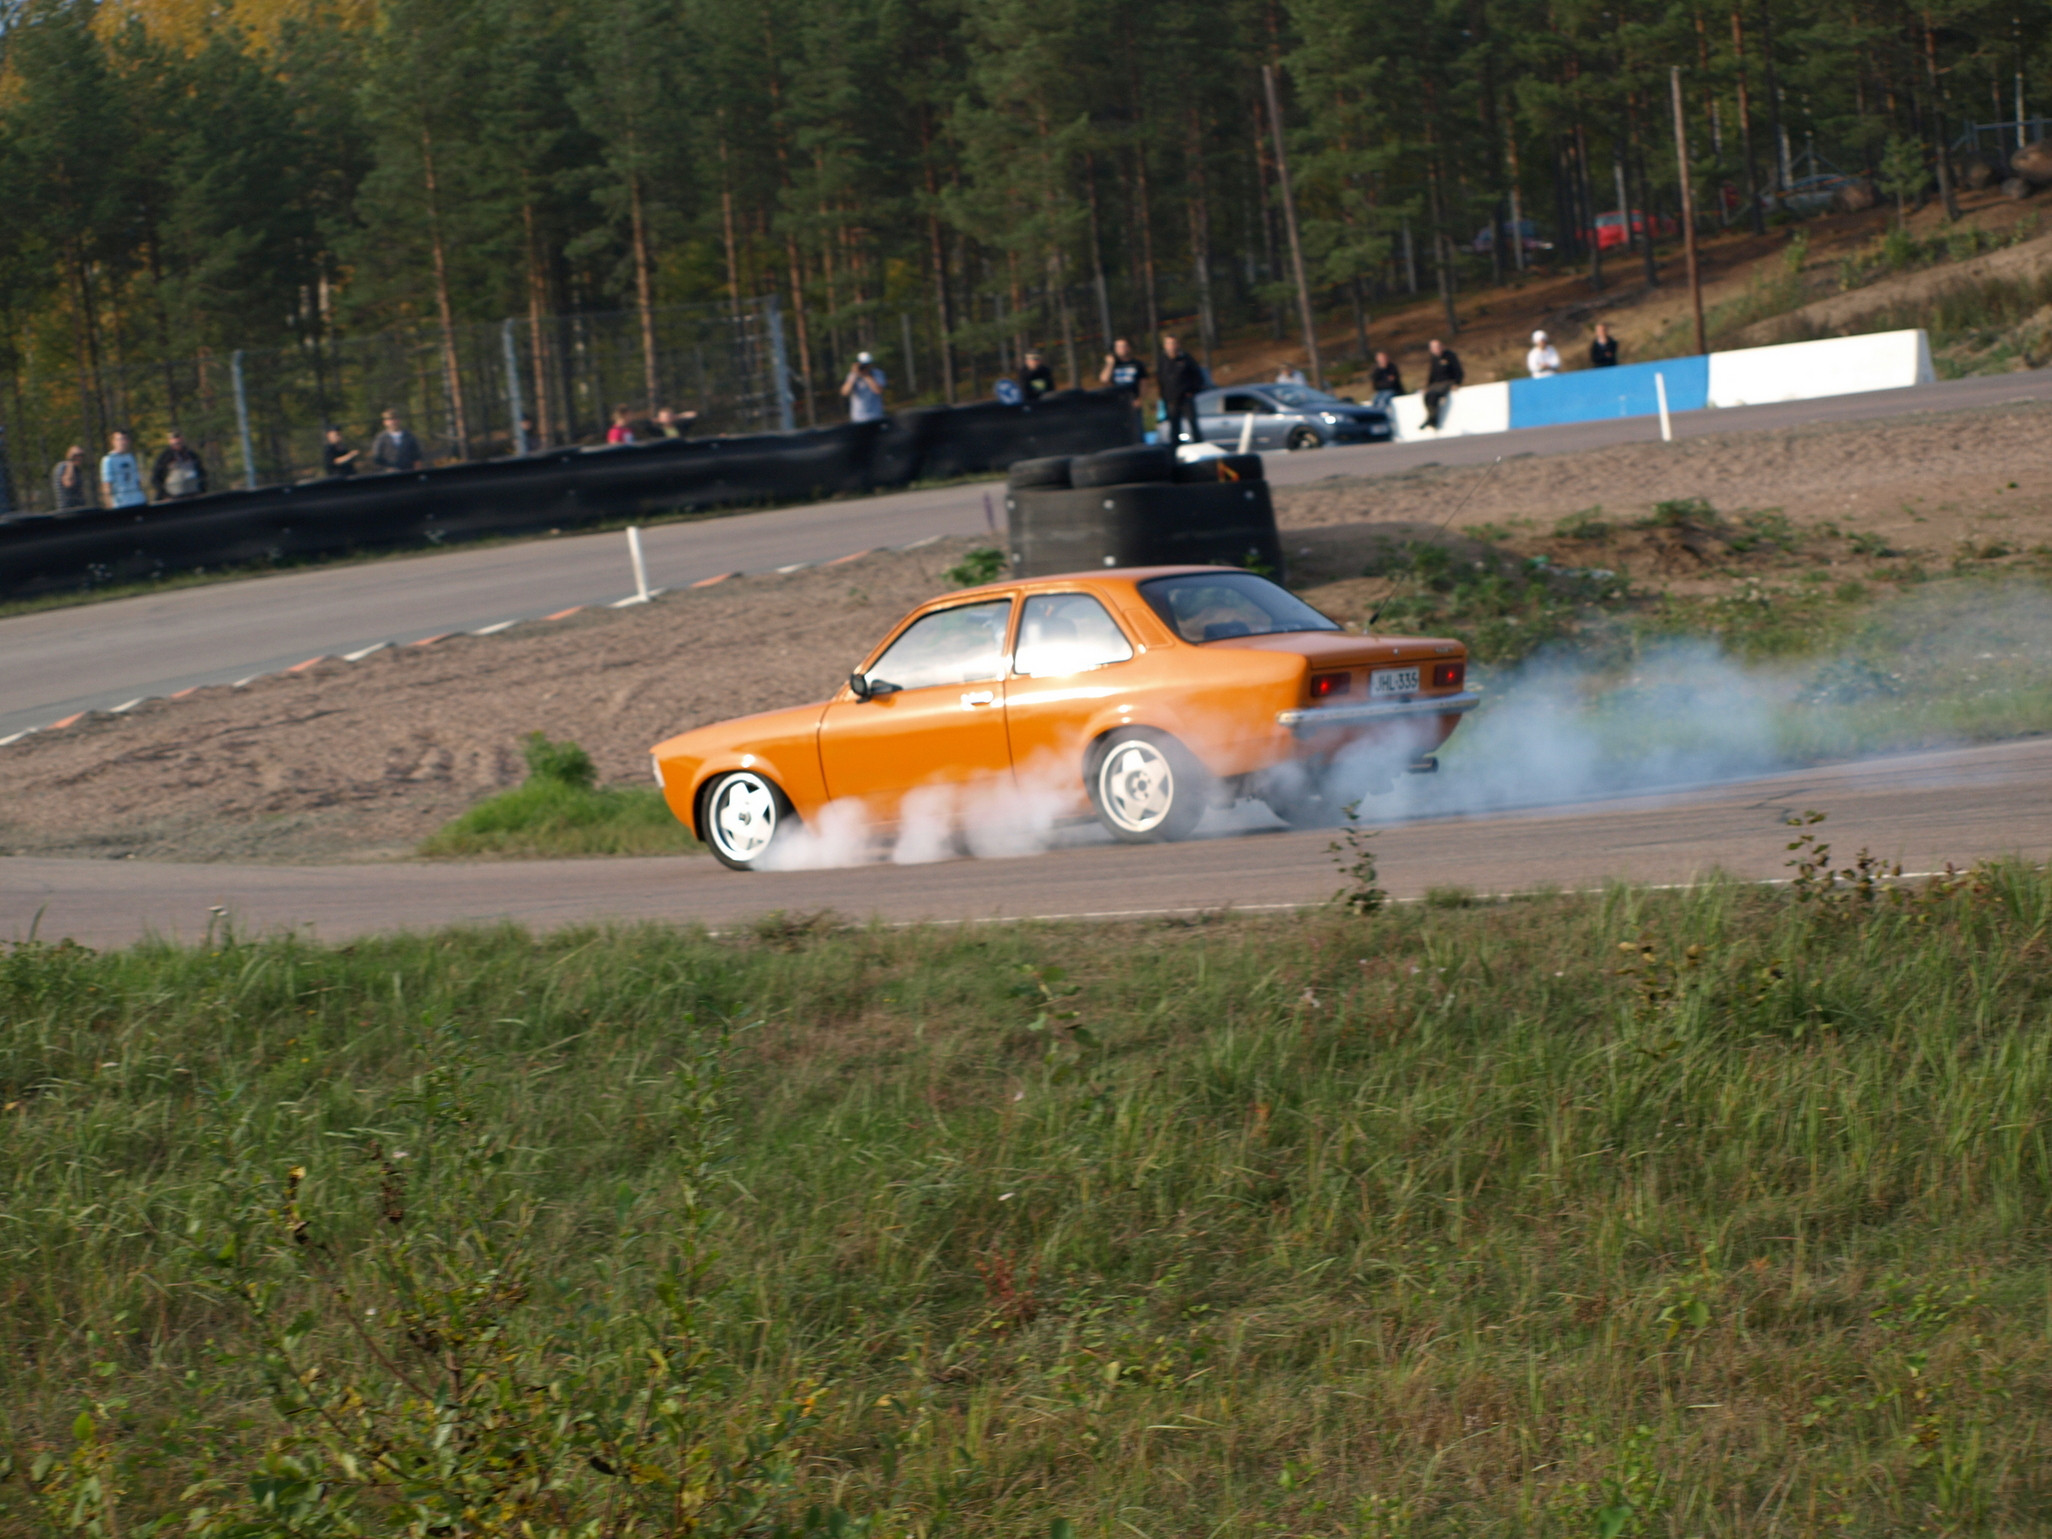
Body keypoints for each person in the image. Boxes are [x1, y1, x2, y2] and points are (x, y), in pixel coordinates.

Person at [1159, 334, 1206, 445]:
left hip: (1186, 397)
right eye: (1169, 344)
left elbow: (1198, 377)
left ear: (1178, 345)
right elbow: (1160, 379)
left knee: (1192, 422)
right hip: (1171, 399)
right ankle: (1175, 446)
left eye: (1173, 343)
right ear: (1165, 346)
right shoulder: (1162, 360)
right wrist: (1164, 396)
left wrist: (1192, 391)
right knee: (1174, 425)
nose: (1172, 346)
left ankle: (1198, 444)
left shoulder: (1186, 359)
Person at [1420, 339, 1464, 432]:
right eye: (1433, 348)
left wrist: (1457, 383)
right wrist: (1427, 386)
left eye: (1437, 346)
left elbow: (1458, 371)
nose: (1436, 349)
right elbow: (1431, 374)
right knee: (1427, 396)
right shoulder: (1434, 359)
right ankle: (1431, 419)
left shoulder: (1450, 356)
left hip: (1448, 382)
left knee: (1433, 395)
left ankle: (1431, 420)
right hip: (1437, 383)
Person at [151, 429, 208, 500]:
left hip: (194, 495)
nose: (176, 440)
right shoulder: (165, 457)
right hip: (174, 497)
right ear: (169, 440)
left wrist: (202, 490)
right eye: (173, 438)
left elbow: (202, 474)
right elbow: (156, 478)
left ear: (183, 439)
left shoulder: (192, 455)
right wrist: (164, 495)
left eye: (178, 438)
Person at [100, 430, 146, 508]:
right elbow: (107, 485)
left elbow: (137, 481)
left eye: (125, 439)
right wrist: (109, 504)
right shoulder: (108, 460)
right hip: (121, 503)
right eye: (119, 439)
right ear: (113, 442)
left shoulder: (131, 457)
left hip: (138, 500)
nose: (122, 442)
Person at [842, 351, 887, 422]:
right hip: (858, 418)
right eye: (863, 365)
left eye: (867, 364)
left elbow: (878, 390)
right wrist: (854, 376)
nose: (865, 366)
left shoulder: (877, 374)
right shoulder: (852, 375)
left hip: (876, 415)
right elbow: (845, 392)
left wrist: (866, 375)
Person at [50, 445, 90, 512]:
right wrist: (70, 462)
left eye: (81, 455)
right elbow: (68, 483)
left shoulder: (76, 469)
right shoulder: (63, 467)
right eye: (76, 455)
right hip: (67, 508)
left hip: (78, 507)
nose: (79, 458)